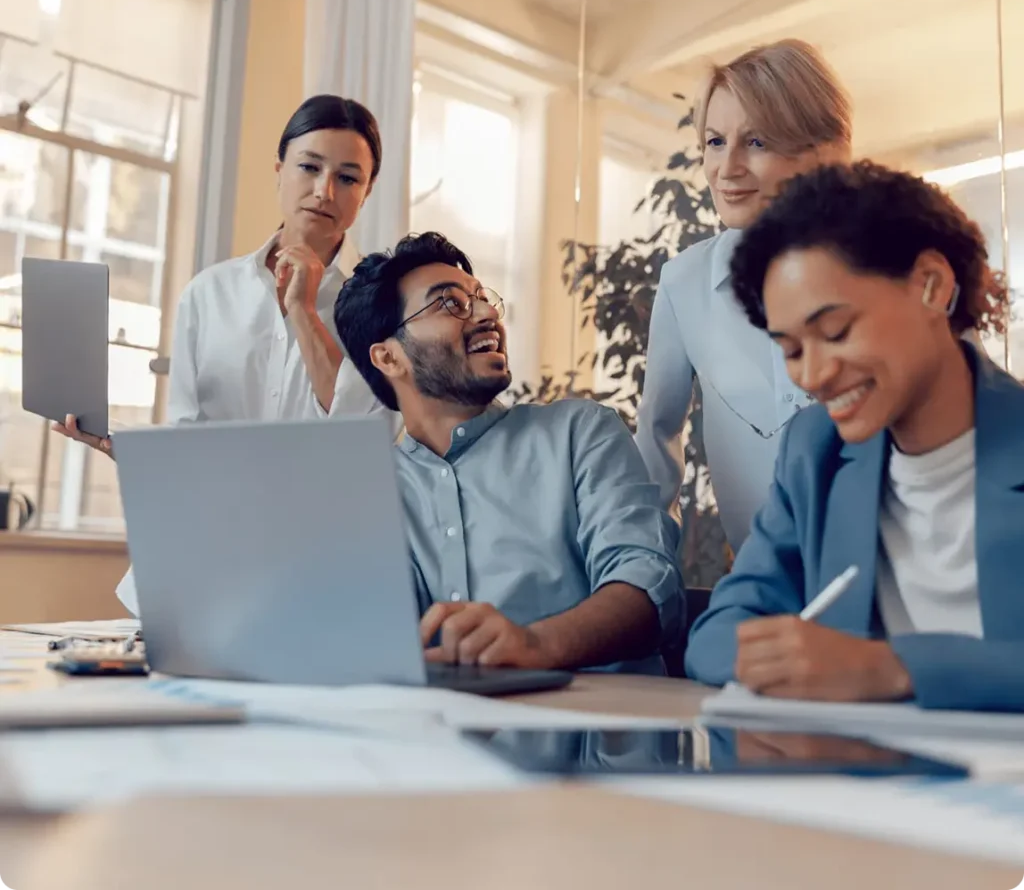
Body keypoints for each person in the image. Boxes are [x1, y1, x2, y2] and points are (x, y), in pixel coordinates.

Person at [685, 161, 1023, 712]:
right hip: (866, 780)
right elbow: (721, 631)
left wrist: (894, 668)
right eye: (791, 350)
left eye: (835, 332)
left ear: (931, 286)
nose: (813, 377)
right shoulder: (815, 450)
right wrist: (772, 658)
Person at [55, 95, 387, 613]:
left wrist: (303, 310)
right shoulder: (208, 295)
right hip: (203, 561)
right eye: (309, 166)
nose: (325, 191)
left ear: (366, 194)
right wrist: (125, 445)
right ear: (279, 170)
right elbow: (192, 443)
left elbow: (366, 436)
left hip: (317, 568)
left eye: (348, 177)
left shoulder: (384, 306)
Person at [333, 231, 684, 674]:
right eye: (450, 304)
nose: (485, 315)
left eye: (482, 299)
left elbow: (650, 587)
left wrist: (535, 645)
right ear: (388, 358)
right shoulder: (373, 494)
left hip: (596, 732)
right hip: (436, 736)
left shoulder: (580, 432)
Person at [635, 39, 853, 552]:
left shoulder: (893, 262)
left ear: (821, 152)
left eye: (756, 142)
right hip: (762, 588)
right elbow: (655, 446)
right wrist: (645, 586)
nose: (726, 168)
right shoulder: (683, 283)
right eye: (714, 141)